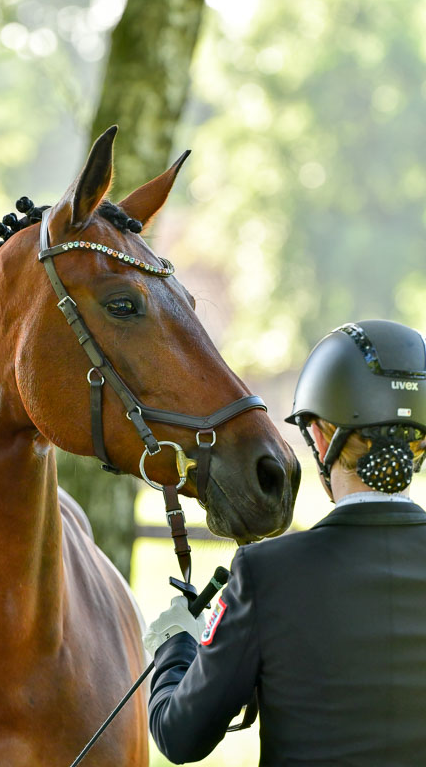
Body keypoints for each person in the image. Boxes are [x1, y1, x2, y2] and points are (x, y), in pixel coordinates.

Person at [143, 319, 426, 765]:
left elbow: (179, 737)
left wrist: (176, 645)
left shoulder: (266, 574)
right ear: (419, 443)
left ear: (320, 437)